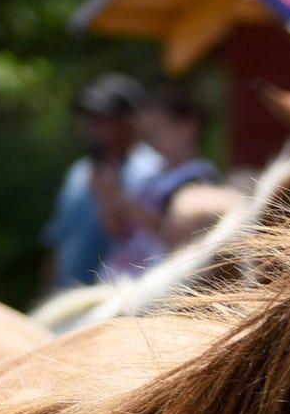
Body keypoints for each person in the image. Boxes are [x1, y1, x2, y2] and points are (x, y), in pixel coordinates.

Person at [41, 74, 160, 293]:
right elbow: (59, 241)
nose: (92, 127)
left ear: (130, 121)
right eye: (88, 117)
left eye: (103, 119)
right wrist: (46, 295)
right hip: (67, 299)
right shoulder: (78, 172)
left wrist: (112, 195)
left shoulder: (153, 171)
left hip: (118, 301)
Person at [97, 83, 226, 281]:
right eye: (147, 133)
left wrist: (122, 200)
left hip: (156, 286)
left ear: (189, 127)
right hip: (126, 280)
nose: (152, 140)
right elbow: (119, 231)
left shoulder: (198, 177)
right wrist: (105, 195)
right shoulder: (156, 176)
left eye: (158, 129)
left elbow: (173, 228)